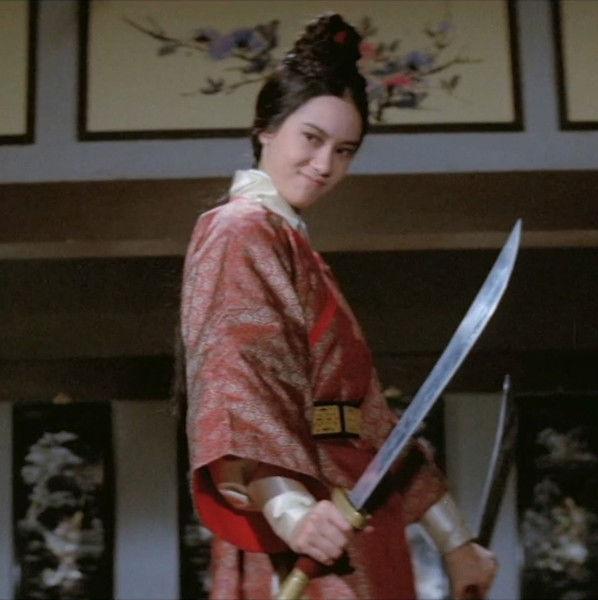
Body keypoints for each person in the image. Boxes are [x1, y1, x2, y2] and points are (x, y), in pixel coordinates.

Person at [179, 12, 497, 600]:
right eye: (312, 138)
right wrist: (291, 511)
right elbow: (240, 384)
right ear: (266, 129)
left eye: (344, 150)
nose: (325, 164)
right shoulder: (239, 230)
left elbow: (373, 418)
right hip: (302, 518)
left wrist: (456, 541)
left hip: (355, 503)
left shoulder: (298, 249)